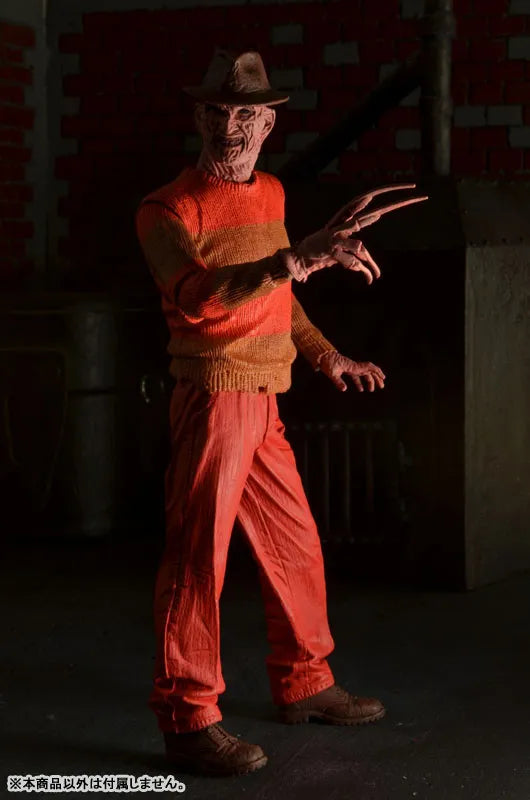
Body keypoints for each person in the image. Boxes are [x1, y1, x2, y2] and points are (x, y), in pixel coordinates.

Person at [135, 49, 427, 778]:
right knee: (197, 561)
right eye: (216, 111)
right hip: (213, 399)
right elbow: (197, 299)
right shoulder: (167, 209)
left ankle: (306, 682)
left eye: (245, 113)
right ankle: (188, 718)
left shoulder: (270, 193)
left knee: (295, 544)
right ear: (198, 116)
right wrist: (294, 259)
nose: (229, 126)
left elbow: (278, 298)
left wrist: (328, 357)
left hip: (265, 402)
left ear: (268, 123)